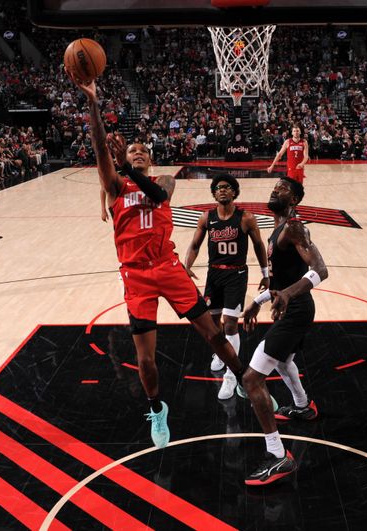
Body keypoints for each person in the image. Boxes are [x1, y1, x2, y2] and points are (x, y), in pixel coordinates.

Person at [68, 73, 250, 453]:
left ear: (149, 160)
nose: (136, 154)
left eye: (141, 152)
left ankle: (247, 382)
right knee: (145, 361)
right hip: (136, 277)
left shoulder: (165, 181)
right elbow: (101, 150)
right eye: (131, 151)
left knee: (214, 335)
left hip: (168, 269)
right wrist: (93, 104)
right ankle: (157, 408)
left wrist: (128, 166)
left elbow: (156, 193)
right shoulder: (115, 186)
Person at [240, 177, 328, 485]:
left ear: (296, 200)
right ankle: (303, 406)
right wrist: (257, 301)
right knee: (282, 360)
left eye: (284, 188)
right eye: (275, 185)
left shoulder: (293, 227)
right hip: (292, 308)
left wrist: (288, 295)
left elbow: (320, 270)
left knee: (251, 379)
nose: (277, 189)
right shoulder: (276, 230)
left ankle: (278, 457)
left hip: (297, 311)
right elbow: (278, 286)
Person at [184, 174, 270, 399]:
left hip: (236, 274)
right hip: (214, 275)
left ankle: (231, 376)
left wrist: (265, 273)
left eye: (227, 187)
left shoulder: (246, 218)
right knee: (212, 324)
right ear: (213, 193)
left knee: (230, 324)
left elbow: (259, 246)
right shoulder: (206, 217)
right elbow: (194, 244)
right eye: (218, 188)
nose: (222, 190)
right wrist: (186, 266)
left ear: (234, 192)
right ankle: (220, 354)